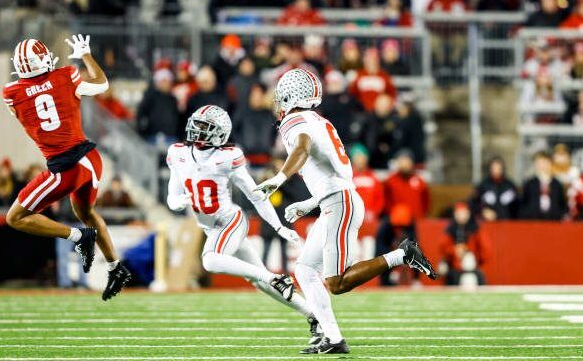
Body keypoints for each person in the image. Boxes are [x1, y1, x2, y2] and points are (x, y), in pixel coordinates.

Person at [254, 68, 436, 354]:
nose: (278, 103)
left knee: (336, 283)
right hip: (337, 199)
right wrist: (310, 203)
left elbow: (301, 149)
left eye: (281, 98)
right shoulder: (319, 121)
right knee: (303, 269)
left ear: (291, 97)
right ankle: (333, 337)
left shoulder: (295, 121)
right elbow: (338, 175)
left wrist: (279, 178)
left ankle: (401, 254)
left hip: (339, 204)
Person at [165, 105, 323, 347]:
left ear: (219, 132)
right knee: (262, 285)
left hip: (230, 221)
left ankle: (274, 277)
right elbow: (172, 196)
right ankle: (314, 316)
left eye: (204, 126)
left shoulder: (227, 156)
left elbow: (256, 196)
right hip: (211, 228)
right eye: (196, 123)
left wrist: (279, 227)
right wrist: (179, 201)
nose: (196, 129)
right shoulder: (177, 153)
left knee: (210, 260)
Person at [2, 35, 130, 300]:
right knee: (87, 212)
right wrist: (84, 54)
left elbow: (27, 110)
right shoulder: (66, 76)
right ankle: (116, 267)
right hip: (91, 160)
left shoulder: (11, 93)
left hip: (66, 167)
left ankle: (77, 237)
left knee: (15, 217)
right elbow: (101, 83)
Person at [438, 202, 491, 286]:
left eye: (464, 213)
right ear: (455, 215)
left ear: (468, 214)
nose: (461, 216)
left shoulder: (476, 229)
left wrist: (470, 253)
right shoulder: (450, 230)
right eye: (459, 213)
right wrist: (454, 251)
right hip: (454, 268)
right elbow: (443, 248)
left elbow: (485, 249)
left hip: (473, 267)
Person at [136, 68, 180, 148]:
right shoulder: (150, 97)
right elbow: (141, 115)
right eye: (164, 81)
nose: (167, 84)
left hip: (171, 137)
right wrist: (143, 132)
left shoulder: (173, 99)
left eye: (168, 81)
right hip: (152, 137)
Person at [519, 151, 567, 220]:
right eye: (539, 163)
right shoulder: (529, 184)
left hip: (554, 221)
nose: (542, 166)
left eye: (544, 162)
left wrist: (559, 214)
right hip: (533, 222)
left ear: (550, 163)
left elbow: (562, 204)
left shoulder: (557, 184)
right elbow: (523, 204)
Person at [349, 48, 396, 112]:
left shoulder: (384, 75)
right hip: (361, 111)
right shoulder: (359, 74)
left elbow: (391, 94)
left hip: (379, 112)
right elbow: (352, 93)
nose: (370, 62)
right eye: (368, 59)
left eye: (373, 59)